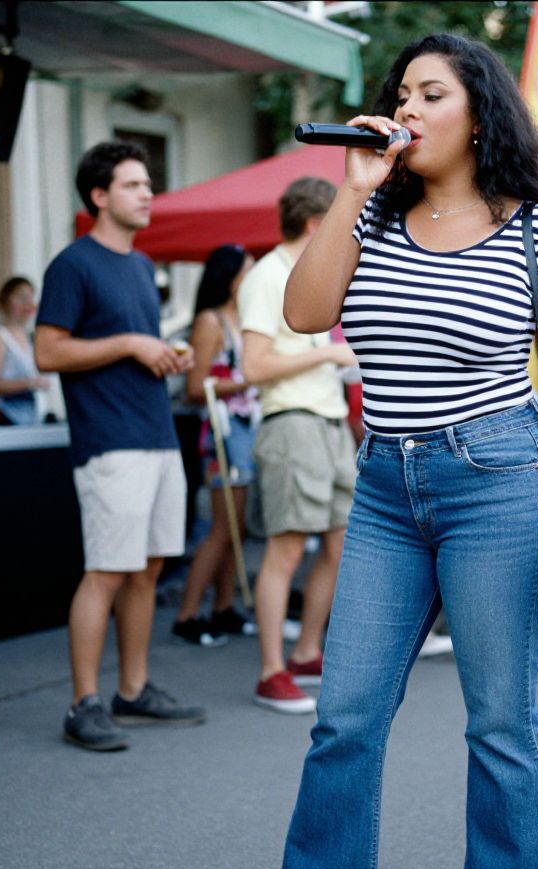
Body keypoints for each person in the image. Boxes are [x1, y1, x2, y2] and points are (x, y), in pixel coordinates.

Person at [232, 33, 538, 869]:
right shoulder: (374, 215)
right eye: (400, 93)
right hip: (387, 488)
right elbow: (307, 314)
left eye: (430, 93)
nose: (405, 109)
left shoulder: (537, 227)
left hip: (499, 480)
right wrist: (353, 190)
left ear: (479, 113)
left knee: (499, 721)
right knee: (344, 718)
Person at [35, 140, 206, 751]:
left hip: (156, 434)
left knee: (148, 568)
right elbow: (47, 351)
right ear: (99, 196)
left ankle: (131, 691)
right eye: (133, 185)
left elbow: (127, 346)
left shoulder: (140, 265)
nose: (148, 194)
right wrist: (133, 344)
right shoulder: (72, 264)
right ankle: (82, 704)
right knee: (106, 571)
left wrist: (163, 354)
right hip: (110, 441)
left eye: (148, 184)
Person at [240, 177, 355, 714]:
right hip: (291, 422)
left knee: (340, 544)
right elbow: (253, 366)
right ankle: (271, 672)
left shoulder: (307, 269)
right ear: (314, 223)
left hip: (327, 422)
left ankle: (307, 651)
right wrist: (326, 356)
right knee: (285, 551)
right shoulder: (267, 275)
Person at [171, 244, 259, 647]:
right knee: (222, 528)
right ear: (230, 276)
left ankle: (224, 608)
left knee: (236, 527)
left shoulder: (244, 317)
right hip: (222, 433)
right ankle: (188, 614)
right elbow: (195, 386)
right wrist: (246, 380)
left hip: (246, 429)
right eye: (247, 269)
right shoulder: (210, 321)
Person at [0, 276, 49, 425]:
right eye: (21, 297)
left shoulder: (30, 338)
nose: (28, 304)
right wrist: (28, 384)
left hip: (31, 419)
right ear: (6, 301)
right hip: (5, 418)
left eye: (30, 298)